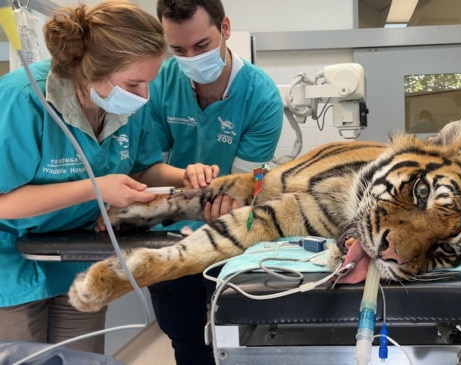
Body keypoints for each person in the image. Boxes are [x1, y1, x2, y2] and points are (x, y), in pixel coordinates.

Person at [0, 0, 219, 354]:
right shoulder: (22, 100)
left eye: (149, 83)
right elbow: (3, 202)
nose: (143, 97)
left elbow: (142, 168)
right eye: (134, 84)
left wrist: (185, 176)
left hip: (78, 254)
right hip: (11, 267)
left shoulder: (126, 106)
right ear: (90, 72)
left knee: (82, 359)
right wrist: (95, 189)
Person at [140, 1, 284, 364]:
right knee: (185, 337)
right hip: (170, 232)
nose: (190, 57)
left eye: (201, 46)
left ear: (225, 28)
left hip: (231, 230)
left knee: (236, 335)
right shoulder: (159, 83)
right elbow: (147, 168)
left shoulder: (260, 96)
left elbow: (241, 187)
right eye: (178, 49)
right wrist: (183, 181)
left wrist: (217, 213)